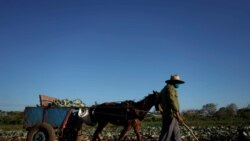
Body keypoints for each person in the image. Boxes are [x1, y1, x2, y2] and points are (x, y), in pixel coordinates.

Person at [157, 74, 185, 141]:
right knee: (166, 134)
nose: (178, 84)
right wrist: (178, 115)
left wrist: (161, 111)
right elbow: (173, 102)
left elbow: (158, 102)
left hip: (168, 115)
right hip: (171, 115)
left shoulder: (164, 89)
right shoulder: (171, 88)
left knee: (176, 134)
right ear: (173, 82)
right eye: (177, 82)